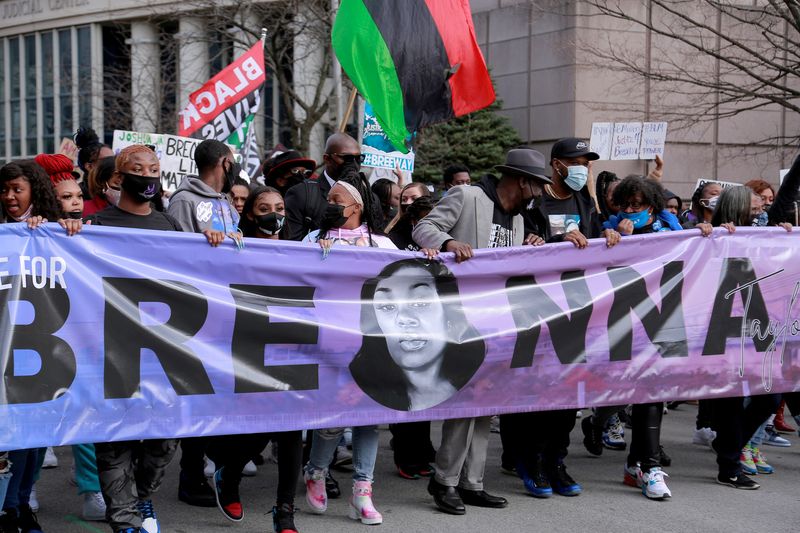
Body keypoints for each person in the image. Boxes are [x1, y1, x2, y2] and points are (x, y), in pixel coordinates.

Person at [412, 148, 551, 515]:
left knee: (487, 405)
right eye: (538, 186)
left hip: (497, 322)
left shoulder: (521, 221)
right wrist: (446, 243)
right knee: (463, 403)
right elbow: (422, 228)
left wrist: (530, 247)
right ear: (522, 181)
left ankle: (472, 482)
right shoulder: (467, 195)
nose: (539, 194)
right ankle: (444, 480)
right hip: (458, 318)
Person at [504, 139, 621, 500]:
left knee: (571, 391)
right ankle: (531, 461)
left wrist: (608, 234)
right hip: (536, 308)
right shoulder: (532, 201)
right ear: (556, 165)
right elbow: (521, 243)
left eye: (586, 162)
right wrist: (556, 239)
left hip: (579, 307)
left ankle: (556, 460)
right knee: (538, 389)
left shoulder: (585, 200)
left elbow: (597, 236)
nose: (583, 168)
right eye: (576, 161)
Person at [85, 145, 182, 533]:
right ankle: (123, 518)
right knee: (113, 437)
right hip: (111, 349)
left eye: (154, 169)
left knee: (164, 438)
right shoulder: (98, 225)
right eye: (138, 169)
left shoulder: (170, 226)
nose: (148, 175)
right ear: (118, 178)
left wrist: (213, 241)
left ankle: (141, 498)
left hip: (163, 349)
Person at [303, 172, 394, 526]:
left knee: (369, 419)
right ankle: (316, 471)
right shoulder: (314, 238)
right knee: (332, 418)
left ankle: (363, 493)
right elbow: (290, 275)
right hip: (329, 343)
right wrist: (316, 257)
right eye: (329, 201)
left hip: (372, 344)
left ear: (357, 206)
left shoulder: (381, 245)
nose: (330, 206)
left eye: (337, 202)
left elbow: (405, 279)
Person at [0, 159, 82, 533]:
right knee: (12, 436)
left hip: (41, 351)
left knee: (36, 438)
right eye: (4, 190)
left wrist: (66, 230)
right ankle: (10, 507)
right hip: (7, 350)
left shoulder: (49, 229)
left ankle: (20, 503)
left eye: (17, 189)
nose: (10, 197)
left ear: (35, 189)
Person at [707, 185, 790, 490]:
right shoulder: (711, 236)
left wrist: (783, 238)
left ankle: (730, 445)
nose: (760, 214)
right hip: (723, 326)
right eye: (753, 210)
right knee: (731, 398)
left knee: (770, 395)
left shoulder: (761, 234)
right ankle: (728, 466)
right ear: (736, 208)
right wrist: (711, 235)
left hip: (759, 322)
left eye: (760, 210)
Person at [236, 185, 302, 533]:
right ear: (250, 214)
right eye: (264, 208)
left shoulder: (300, 250)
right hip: (248, 349)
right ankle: (228, 476)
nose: (273, 213)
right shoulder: (237, 246)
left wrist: (326, 253)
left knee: (291, 430)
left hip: (289, 348)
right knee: (259, 427)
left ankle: (285, 510)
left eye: (279, 206)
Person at [350, 259, 485, 411]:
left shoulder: (479, 381)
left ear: (448, 312)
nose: (404, 319)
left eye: (420, 303)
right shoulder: (359, 391)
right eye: (387, 306)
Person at [284, 133, 366, 241]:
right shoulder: (301, 194)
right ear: (327, 159)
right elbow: (293, 246)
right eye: (347, 158)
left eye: (358, 158)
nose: (354, 164)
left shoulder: (368, 197)